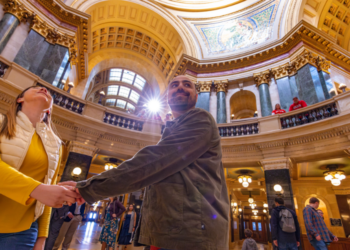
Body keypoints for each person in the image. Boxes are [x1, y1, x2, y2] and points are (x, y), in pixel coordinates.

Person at [59, 75, 230, 250]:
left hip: (191, 234)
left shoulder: (200, 119)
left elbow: (152, 162)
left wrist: (89, 188)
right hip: (169, 231)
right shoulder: (173, 128)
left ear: (196, 95)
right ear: (167, 97)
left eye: (187, 85)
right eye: (174, 85)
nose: (180, 87)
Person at [0, 86, 79, 249]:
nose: (44, 88)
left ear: (50, 109)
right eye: (35, 88)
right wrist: (36, 189)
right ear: (19, 99)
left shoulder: (55, 145)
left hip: (23, 232)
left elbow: (47, 195)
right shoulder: (1, 122)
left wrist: (42, 237)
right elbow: (42, 190)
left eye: (49, 93)